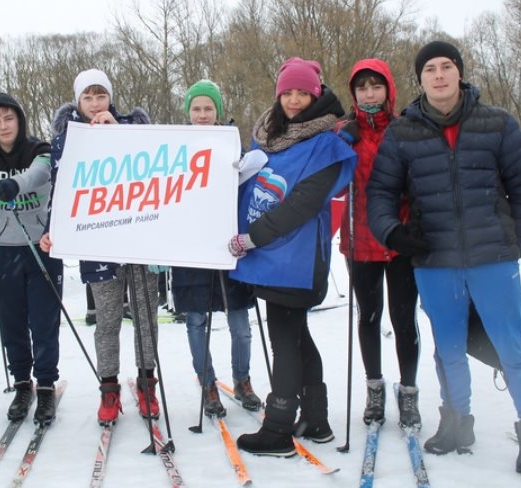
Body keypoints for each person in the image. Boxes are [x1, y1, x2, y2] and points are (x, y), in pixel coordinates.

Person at [367, 41, 521, 475]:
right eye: (429, 70)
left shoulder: (496, 124)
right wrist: (394, 233)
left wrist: (517, 239)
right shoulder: (402, 132)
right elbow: (380, 193)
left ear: (459, 73)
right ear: (419, 80)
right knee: (449, 349)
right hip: (435, 259)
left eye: (446, 67)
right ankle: (457, 423)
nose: (438, 75)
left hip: (492, 256)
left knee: (512, 346)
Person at [230, 57, 356, 456]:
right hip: (272, 257)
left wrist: (252, 238)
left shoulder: (326, 142)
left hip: (298, 260)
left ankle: (278, 429)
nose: (295, 100)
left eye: (304, 92)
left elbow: (302, 204)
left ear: (316, 95)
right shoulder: (270, 135)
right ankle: (316, 421)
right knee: (297, 337)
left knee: (285, 339)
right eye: (288, 92)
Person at [39, 69, 160, 425]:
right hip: (99, 243)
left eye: (100, 96)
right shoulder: (66, 139)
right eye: (88, 98)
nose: (95, 104)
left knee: (145, 319)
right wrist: (52, 228)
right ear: (78, 101)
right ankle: (108, 390)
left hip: (138, 241)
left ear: (110, 97)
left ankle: (146, 383)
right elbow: (61, 189)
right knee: (106, 321)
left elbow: (154, 174)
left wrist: (117, 134)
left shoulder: (132, 128)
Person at [0, 92, 62, 425]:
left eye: (8, 118)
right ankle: (23, 383)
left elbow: (39, 174)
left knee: (44, 321)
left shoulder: (39, 150)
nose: (3, 126)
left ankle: (46, 384)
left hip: (40, 247)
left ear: (19, 120)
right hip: (4, 249)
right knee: (12, 323)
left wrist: (14, 185)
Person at [336, 59, 421, 428]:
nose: (369, 94)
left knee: (403, 319)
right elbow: (334, 187)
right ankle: (374, 388)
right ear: (353, 94)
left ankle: (409, 392)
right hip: (360, 239)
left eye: (376, 86)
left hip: (400, 238)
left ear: (388, 89)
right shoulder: (344, 131)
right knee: (368, 316)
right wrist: (338, 150)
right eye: (362, 88)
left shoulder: (408, 129)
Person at [171, 80, 261, 417]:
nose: (203, 114)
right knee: (197, 321)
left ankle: (243, 379)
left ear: (218, 111)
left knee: (240, 323)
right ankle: (207, 384)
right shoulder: (176, 148)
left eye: (209, 108)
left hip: (228, 246)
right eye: (196, 108)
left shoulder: (232, 147)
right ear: (189, 112)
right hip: (191, 247)